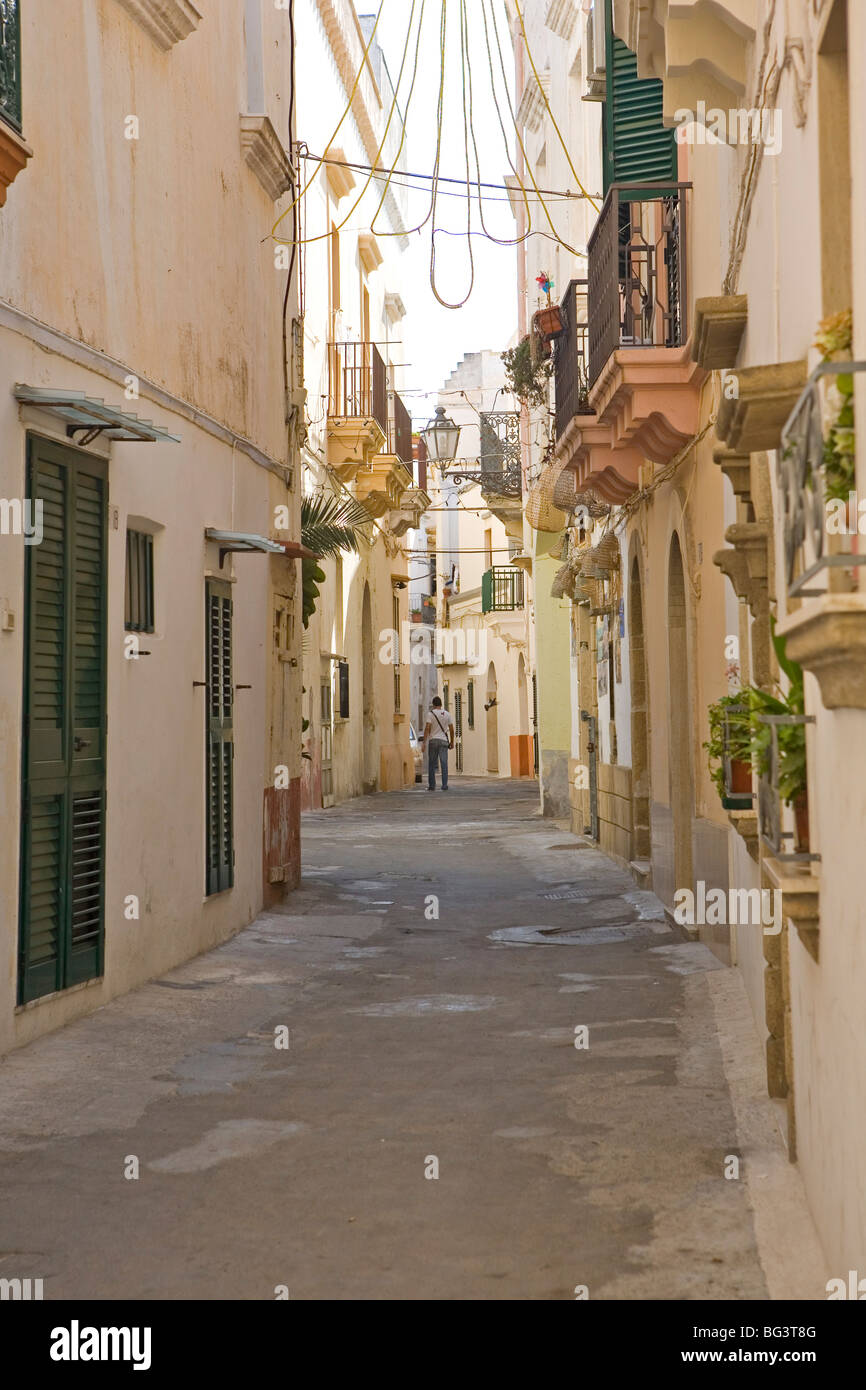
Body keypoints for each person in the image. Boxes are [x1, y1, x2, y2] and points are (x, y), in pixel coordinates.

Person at [423, 696, 454, 791]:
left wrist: (424, 742)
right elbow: (452, 729)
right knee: (444, 763)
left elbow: (427, 728)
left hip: (433, 740)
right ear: (441, 704)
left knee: (432, 764)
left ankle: (432, 786)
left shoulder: (430, 714)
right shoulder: (447, 714)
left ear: (433, 704)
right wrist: (452, 741)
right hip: (444, 741)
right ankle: (444, 785)